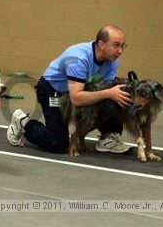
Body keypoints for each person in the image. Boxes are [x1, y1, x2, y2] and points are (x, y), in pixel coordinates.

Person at [7, 25, 132, 154]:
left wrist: (113, 94)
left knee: (116, 97)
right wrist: (108, 93)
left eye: (123, 46)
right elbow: (76, 98)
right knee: (58, 143)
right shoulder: (78, 58)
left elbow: (104, 90)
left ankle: (107, 137)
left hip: (79, 90)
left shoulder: (112, 62)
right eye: (116, 45)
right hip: (52, 92)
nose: (120, 51)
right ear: (101, 44)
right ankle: (23, 123)